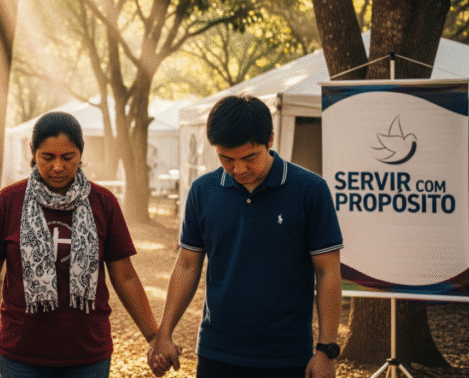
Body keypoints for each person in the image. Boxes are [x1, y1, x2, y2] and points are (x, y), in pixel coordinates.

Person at [0, 111, 159, 377]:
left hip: (87, 355)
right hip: (22, 355)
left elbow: (126, 277)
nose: (58, 167)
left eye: (68, 157)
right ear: (33, 152)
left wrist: (154, 336)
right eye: (48, 157)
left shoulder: (103, 202)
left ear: (81, 153)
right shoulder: (8, 202)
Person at [147, 94, 343, 378]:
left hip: (287, 356)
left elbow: (328, 272)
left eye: (249, 157)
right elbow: (187, 265)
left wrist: (326, 350)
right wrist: (164, 333)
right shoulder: (203, 191)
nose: (238, 169)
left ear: (270, 140)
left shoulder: (310, 190)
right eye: (226, 158)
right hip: (217, 353)